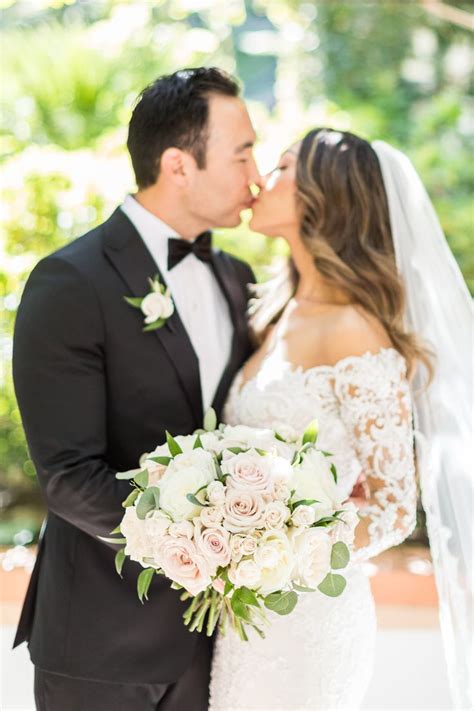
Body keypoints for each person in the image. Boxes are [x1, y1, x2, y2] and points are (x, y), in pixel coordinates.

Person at [12, 67, 261, 711]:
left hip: (221, 648)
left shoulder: (237, 277)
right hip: (104, 643)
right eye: (242, 152)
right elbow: (69, 477)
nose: (255, 175)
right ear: (179, 165)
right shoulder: (71, 281)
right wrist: (214, 545)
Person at [209, 128, 432, 709]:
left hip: (310, 615)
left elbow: (393, 507)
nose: (262, 178)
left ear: (320, 198)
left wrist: (280, 551)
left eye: (282, 167)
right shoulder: (276, 312)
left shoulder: (353, 328)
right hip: (245, 616)